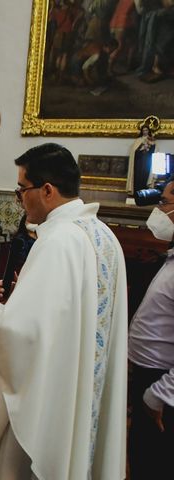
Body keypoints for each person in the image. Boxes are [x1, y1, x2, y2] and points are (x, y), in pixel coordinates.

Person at [0, 143, 127, 480]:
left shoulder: (58, 241)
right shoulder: (105, 237)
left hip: (48, 398)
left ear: (47, 190)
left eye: (21, 189)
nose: (19, 197)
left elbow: (21, 336)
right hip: (76, 392)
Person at [127, 177, 174, 479]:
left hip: (161, 388)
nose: (159, 209)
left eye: (165, 202)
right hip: (148, 378)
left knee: (154, 465)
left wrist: (159, 395)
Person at [127, 124, 157, 195]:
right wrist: (141, 148)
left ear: (148, 131)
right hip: (138, 162)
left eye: (146, 130)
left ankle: (145, 194)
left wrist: (149, 146)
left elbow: (154, 152)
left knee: (145, 177)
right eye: (143, 130)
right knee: (137, 178)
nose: (145, 132)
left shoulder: (152, 140)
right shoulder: (138, 140)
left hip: (147, 162)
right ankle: (137, 194)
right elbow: (134, 152)